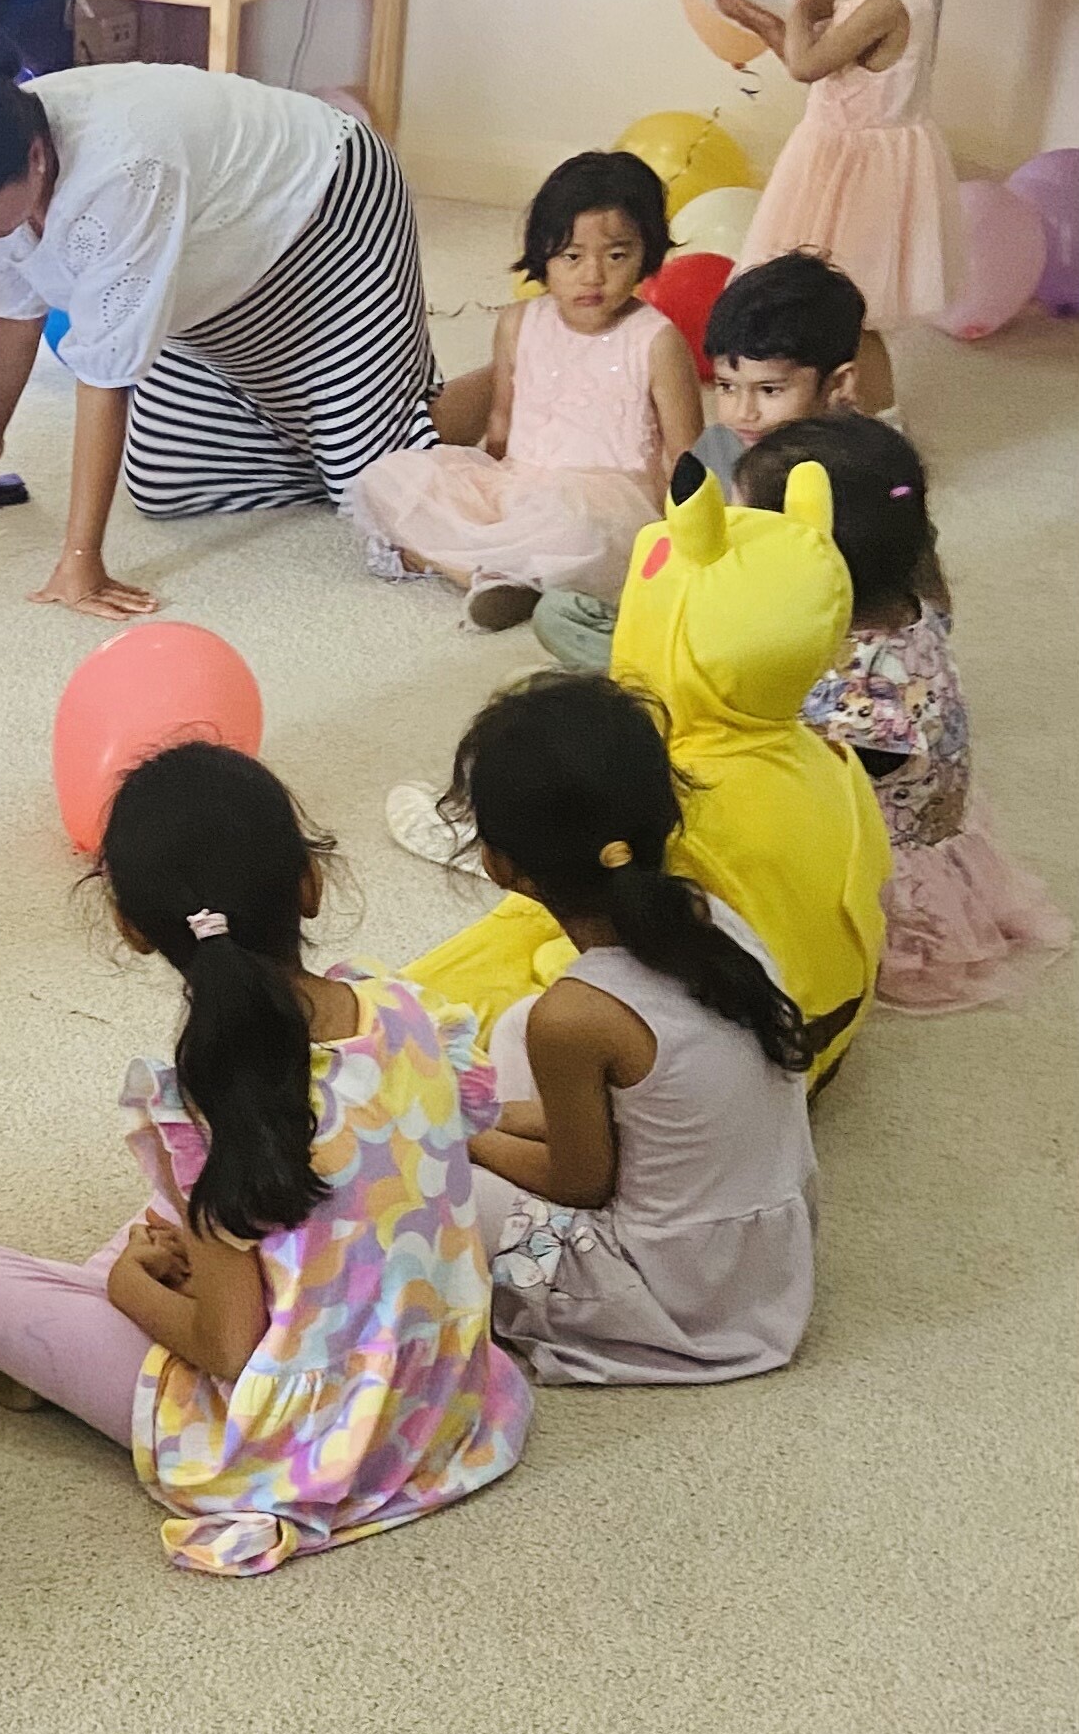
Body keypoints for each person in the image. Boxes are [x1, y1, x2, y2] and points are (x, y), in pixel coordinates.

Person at [0, 744, 529, 1576]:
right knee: (173, 1214)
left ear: (131, 930)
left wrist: (127, 1288)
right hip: (440, 1402)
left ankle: (42, 1346)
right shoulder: (411, 1011)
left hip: (304, 1447)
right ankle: (96, 1315)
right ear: (311, 883)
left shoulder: (212, 1106)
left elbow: (226, 1348)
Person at [0, 33, 441, 618]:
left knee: (376, 496)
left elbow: (107, 377)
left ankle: (461, 399)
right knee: (166, 483)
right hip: (211, 276)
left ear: (35, 159)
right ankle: (334, 434)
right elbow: (12, 317)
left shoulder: (123, 168)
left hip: (329, 212)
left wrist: (81, 557)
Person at [403, 457, 890, 1085]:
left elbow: (609, 935)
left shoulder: (676, 794)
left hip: (764, 1050)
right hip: (824, 1015)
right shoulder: (833, 756)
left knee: (452, 1008)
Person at [445, 674, 818, 1386]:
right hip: (759, 1256)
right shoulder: (708, 917)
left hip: (672, 1294)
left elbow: (577, 1185)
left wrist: (466, 1136)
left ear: (501, 865)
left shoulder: (579, 1017)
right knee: (518, 1026)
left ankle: (572, 1308)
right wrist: (486, 1115)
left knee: (435, 1182)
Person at [734, 418, 1067, 1013]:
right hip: (920, 816)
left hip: (884, 866)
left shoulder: (866, 684)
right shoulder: (908, 594)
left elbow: (814, 792)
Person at [349, 150, 702, 632]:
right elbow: (501, 425)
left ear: (647, 254)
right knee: (389, 477)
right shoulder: (519, 323)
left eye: (617, 255)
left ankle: (456, 563)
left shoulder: (656, 341)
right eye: (572, 257)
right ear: (543, 257)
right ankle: (493, 575)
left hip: (603, 503)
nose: (593, 275)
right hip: (520, 482)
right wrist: (486, 493)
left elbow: (687, 455)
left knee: (572, 530)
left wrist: (686, 542)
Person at [718, 0, 969, 417]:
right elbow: (822, 67)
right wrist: (761, 19)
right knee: (822, 303)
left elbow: (805, 65)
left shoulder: (887, 4)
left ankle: (881, 426)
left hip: (854, 172)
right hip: (844, 156)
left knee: (854, 311)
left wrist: (800, 11)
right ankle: (834, 411)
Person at [529, 251, 869, 676]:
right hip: (705, 624)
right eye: (727, 387)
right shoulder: (720, 447)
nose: (743, 412)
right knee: (559, 611)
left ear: (839, 384)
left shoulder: (859, 468)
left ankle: (661, 690)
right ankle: (659, 683)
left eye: (769, 390)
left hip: (781, 653)